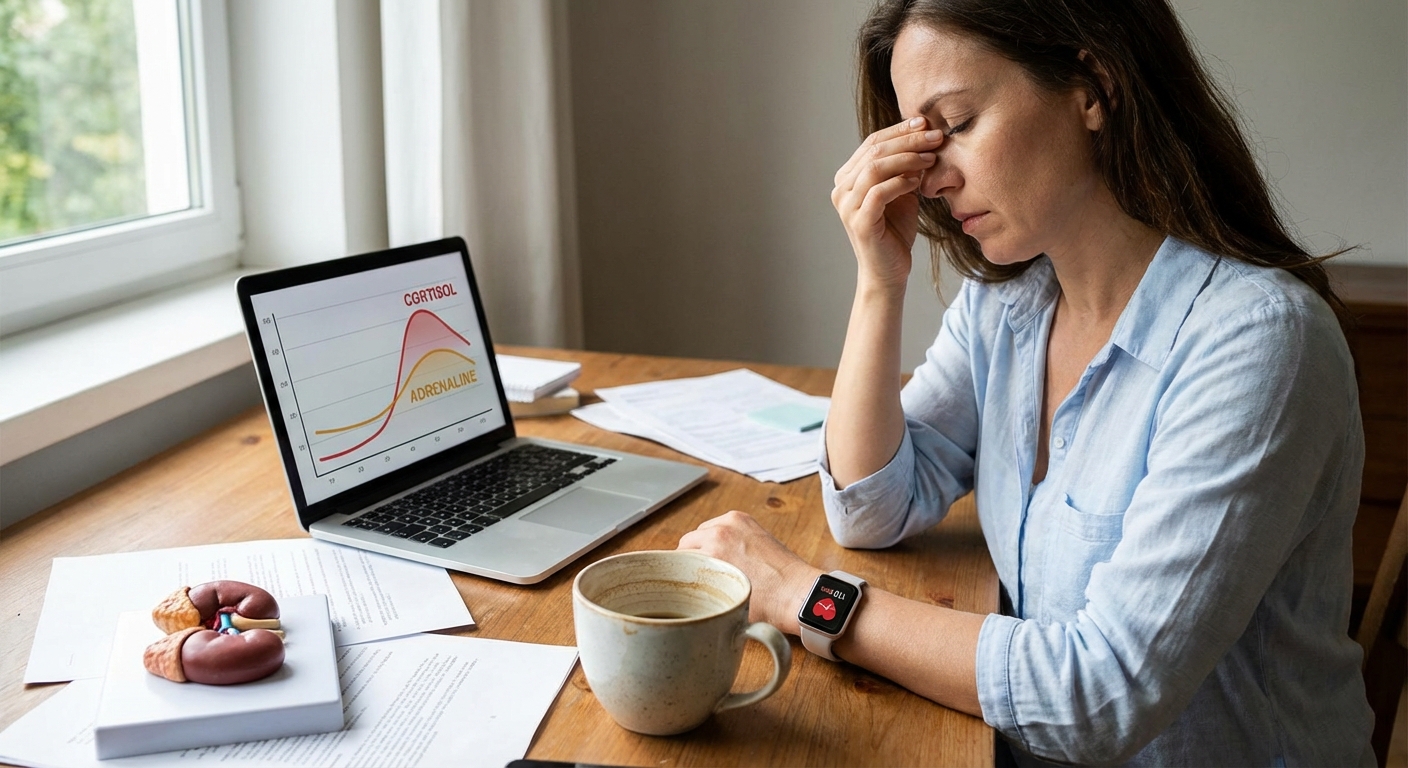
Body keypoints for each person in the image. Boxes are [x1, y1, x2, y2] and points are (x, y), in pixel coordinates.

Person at [676, 0, 1375, 764]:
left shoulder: (1259, 344)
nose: (933, 178)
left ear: (1093, 88)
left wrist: (803, 596)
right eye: (919, 140)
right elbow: (873, 508)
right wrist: (879, 280)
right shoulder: (1010, 305)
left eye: (957, 123)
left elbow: (1101, 696)